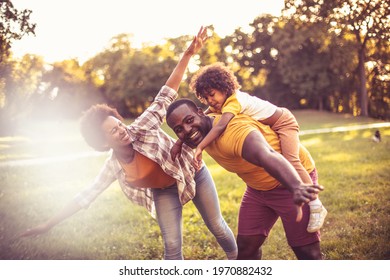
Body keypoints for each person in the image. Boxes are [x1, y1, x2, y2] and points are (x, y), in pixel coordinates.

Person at [19, 27, 238, 260]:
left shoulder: (140, 127)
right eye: (113, 131)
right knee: (172, 246)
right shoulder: (114, 165)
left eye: (119, 124)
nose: (122, 130)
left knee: (216, 225)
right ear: (103, 143)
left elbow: (167, 93)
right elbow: (86, 195)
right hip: (164, 192)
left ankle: (239, 263)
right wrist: (49, 224)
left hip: (193, 173)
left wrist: (188, 54)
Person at [171, 62, 326, 233]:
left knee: (292, 160)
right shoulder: (219, 104)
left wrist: (200, 147)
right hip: (271, 130)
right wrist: (179, 142)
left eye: (212, 95)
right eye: (205, 98)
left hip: (284, 122)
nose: (210, 101)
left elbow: (220, 126)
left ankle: (316, 204)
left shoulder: (233, 102)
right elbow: (199, 115)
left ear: (223, 86)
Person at [166, 98, 324, 260]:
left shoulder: (234, 132)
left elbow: (267, 155)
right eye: (179, 129)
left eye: (190, 120)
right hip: (258, 188)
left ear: (200, 112)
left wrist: (297, 187)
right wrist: (179, 142)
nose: (187, 130)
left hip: (289, 180)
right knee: (246, 248)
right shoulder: (207, 123)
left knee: (307, 253)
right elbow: (189, 128)